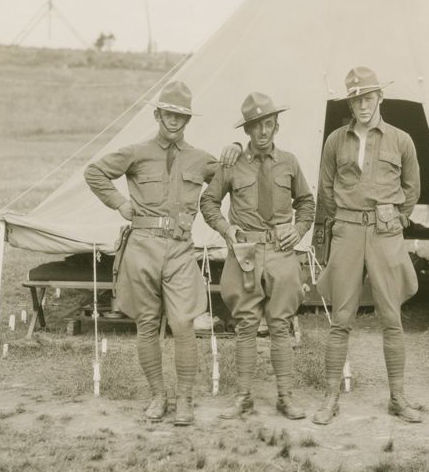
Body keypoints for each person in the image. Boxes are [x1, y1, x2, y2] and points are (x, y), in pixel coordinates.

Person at [84, 80, 224, 426]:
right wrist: (119, 203)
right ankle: (158, 396)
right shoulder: (135, 152)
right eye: (168, 114)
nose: (173, 121)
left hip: (179, 248)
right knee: (147, 324)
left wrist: (234, 151)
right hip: (142, 246)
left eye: (181, 116)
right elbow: (95, 172)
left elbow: (229, 177)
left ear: (187, 120)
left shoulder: (201, 159)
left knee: (183, 324)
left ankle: (185, 401)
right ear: (158, 114)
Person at [311, 66, 423, 425]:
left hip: (385, 232)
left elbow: (412, 188)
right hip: (346, 230)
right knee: (341, 318)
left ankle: (398, 397)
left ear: (380, 98)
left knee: (391, 317)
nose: (362, 104)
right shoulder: (335, 141)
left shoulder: (401, 140)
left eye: (368, 97)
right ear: (351, 101)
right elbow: (326, 190)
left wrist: (396, 219)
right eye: (355, 98)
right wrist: (345, 219)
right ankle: (330, 398)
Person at [199, 92, 315, 421]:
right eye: (255, 126)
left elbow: (306, 202)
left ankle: (285, 397)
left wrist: (301, 227)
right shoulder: (232, 163)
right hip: (245, 251)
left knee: (281, 324)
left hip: (280, 249)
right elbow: (208, 202)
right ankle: (243, 397)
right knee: (246, 326)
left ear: (277, 124)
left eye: (268, 124)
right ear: (246, 130)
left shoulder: (290, 162)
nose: (263, 131)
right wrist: (226, 230)